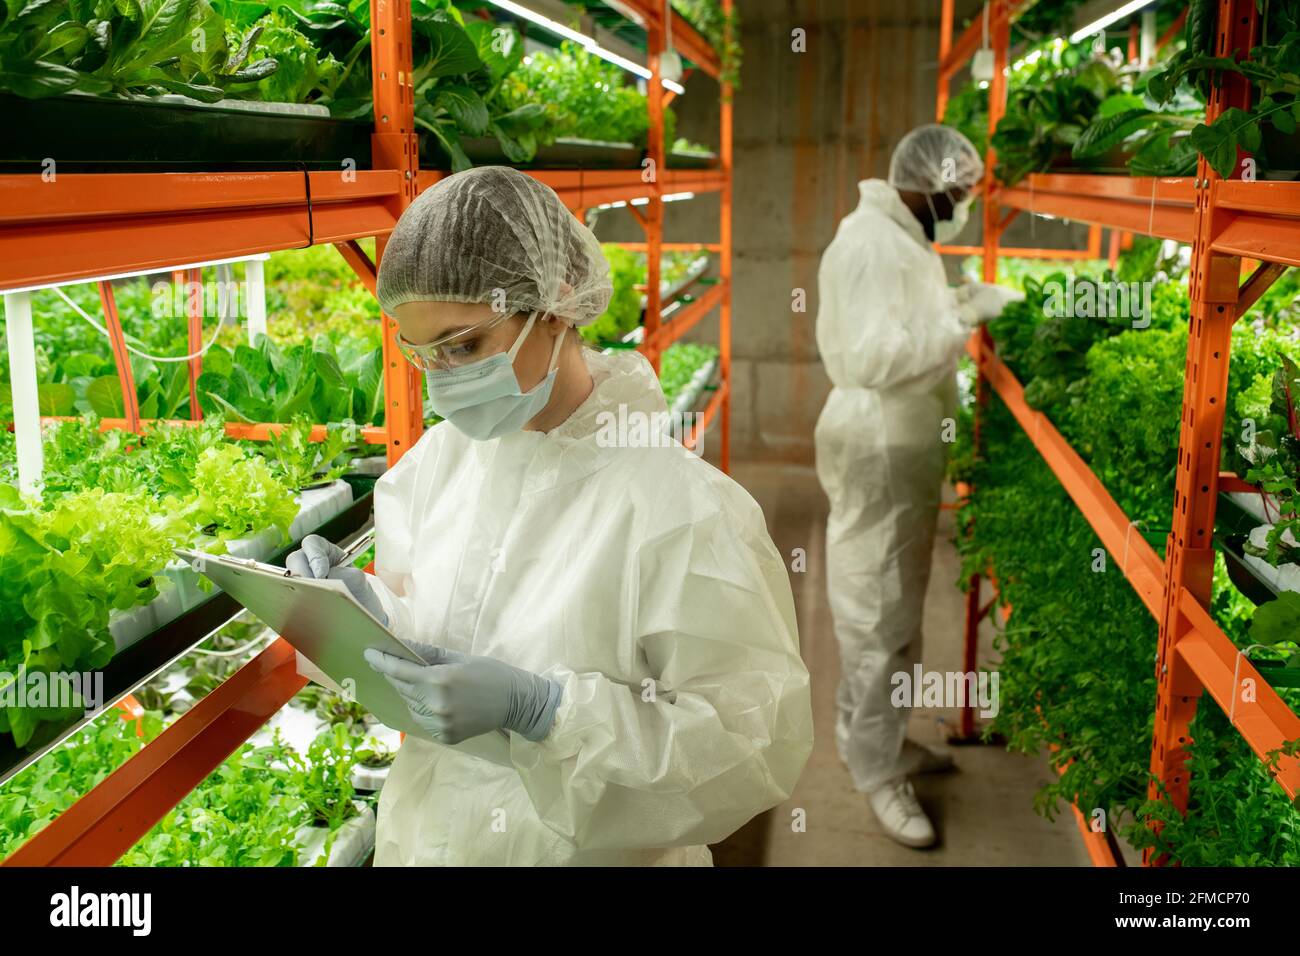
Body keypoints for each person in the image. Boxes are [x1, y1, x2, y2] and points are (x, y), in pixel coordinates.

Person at [287, 166, 813, 866]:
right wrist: (360, 619)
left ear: (557, 305)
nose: (445, 377)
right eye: (424, 354)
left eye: (465, 345)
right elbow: (443, 639)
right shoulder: (437, 466)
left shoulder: (681, 510)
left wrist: (548, 714)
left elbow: (750, 750)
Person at [813, 124, 1021, 848]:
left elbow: (901, 325)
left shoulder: (898, 238)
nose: (963, 206)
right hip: (880, 440)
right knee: (879, 617)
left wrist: (953, 300)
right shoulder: (872, 244)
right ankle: (877, 776)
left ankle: (872, 741)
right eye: (959, 194)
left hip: (895, 442)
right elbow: (874, 356)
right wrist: (963, 315)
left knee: (886, 609)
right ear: (927, 186)